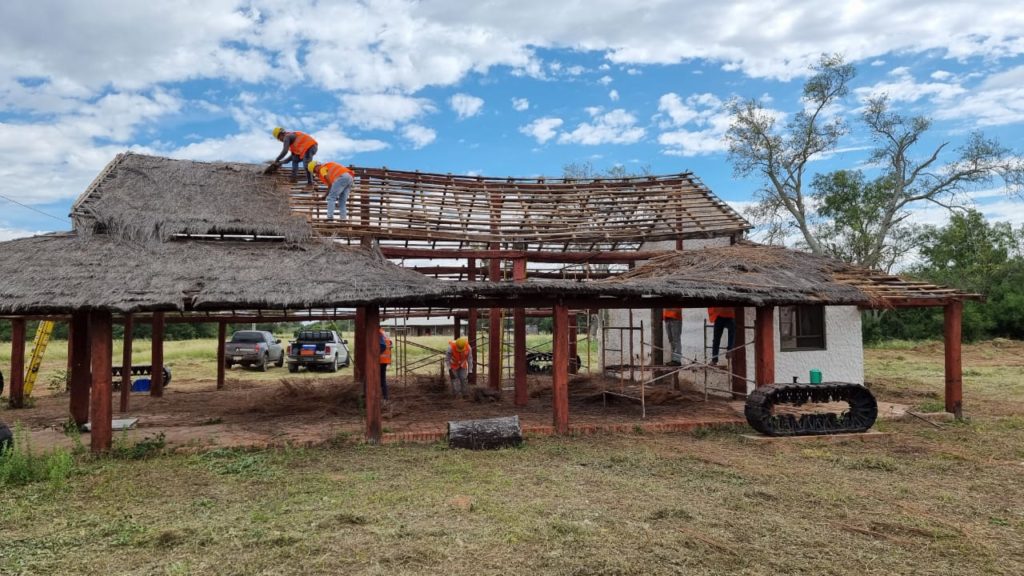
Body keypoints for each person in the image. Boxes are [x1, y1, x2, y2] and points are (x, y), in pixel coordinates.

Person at [379, 328, 392, 402]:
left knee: (379, 379)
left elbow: (383, 346)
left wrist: (375, 355)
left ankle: (384, 397)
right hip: (385, 360)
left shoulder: (378, 333)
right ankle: (385, 397)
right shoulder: (383, 332)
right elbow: (390, 343)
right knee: (382, 379)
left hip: (380, 360)